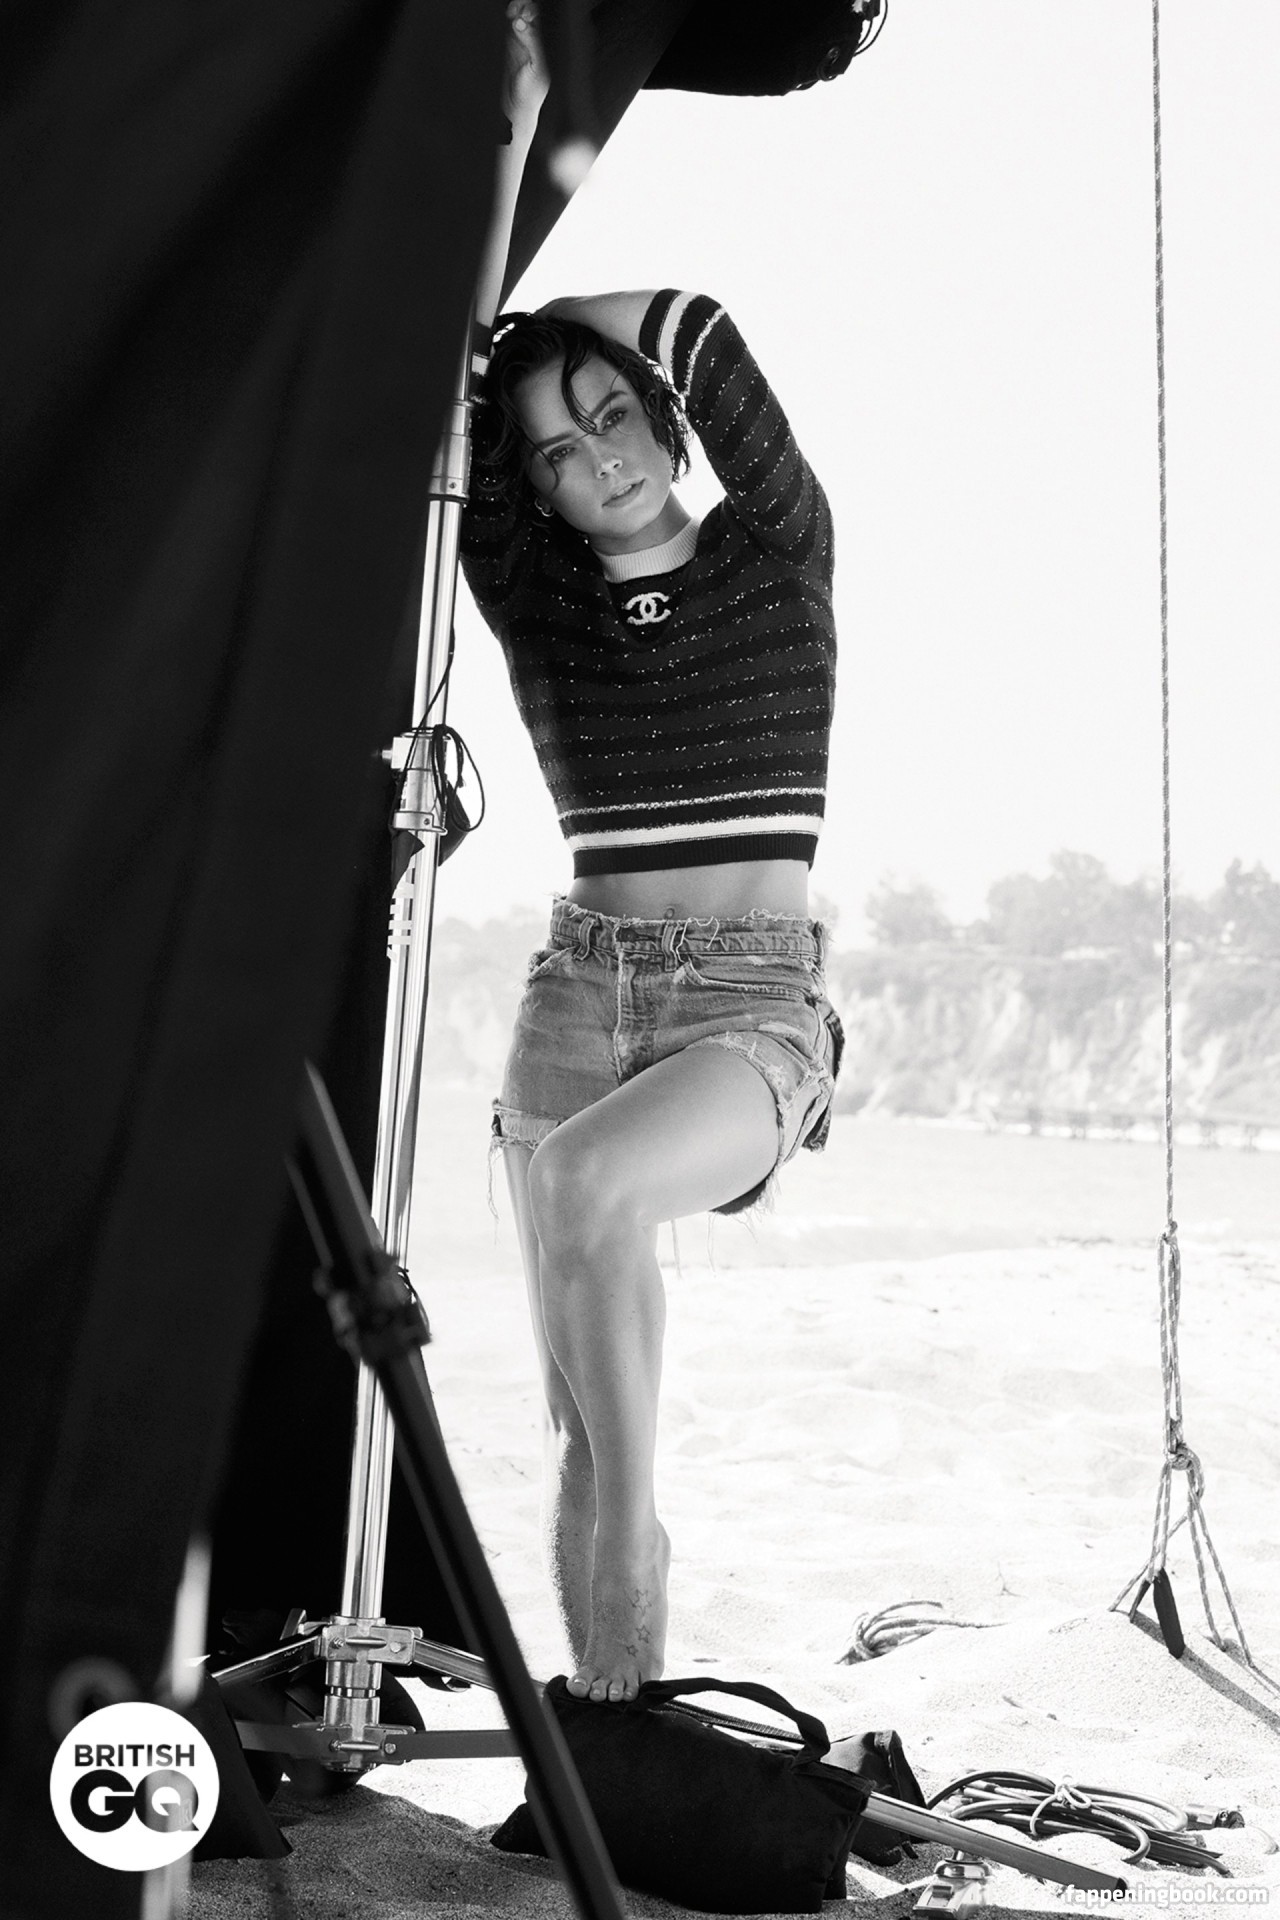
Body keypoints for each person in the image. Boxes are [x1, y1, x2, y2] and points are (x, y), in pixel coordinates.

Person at [460, 3, 841, 1706]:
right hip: (576, 996)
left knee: (586, 1191)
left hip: (749, 1009)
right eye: (556, 450)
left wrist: (547, 327)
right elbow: (459, 388)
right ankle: (614, 1726)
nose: (592, 457)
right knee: (578, 1418)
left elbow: (696, 323)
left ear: (660, 421)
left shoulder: (779, 555)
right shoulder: (533, 602)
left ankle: (638, 1551)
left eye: (610, 416)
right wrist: (509, 367)